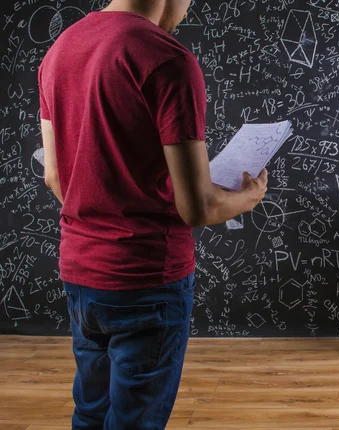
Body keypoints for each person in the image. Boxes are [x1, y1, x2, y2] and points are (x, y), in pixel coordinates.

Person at [38, 0, 267, 428]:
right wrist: (248, 196)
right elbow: (198, 207)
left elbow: (55, 176)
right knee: (134, 421)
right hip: (147, 278)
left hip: (80, 271)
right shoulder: (166, 58)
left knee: (90, 412)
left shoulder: (60, 48)